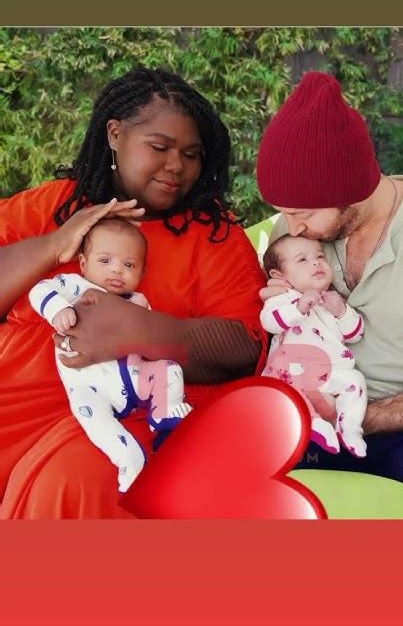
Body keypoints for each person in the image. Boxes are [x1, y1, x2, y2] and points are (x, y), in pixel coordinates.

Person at [0, 67, 268, 518]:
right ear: (115, 133)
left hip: (130, 413)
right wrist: (53, 245)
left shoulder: (213, 235)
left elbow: (244, 347)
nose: (176, 166)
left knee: (70, 481)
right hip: (15, 401)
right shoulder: (55, 205)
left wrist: (141, 331)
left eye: (192, 154)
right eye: (160, 147)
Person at [257, 70, 403, 482]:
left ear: (352, 186)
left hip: (393, 424)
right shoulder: (292, 234)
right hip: (304, 416)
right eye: (284, 211)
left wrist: (365, 416)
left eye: (302, 213)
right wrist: (275, 303)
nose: (292, 227)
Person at [29, 218, 191, 493]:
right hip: (89, 387)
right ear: (83, 263)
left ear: (142, 272)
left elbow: (151, 343)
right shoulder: (76, 286)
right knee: (96, 423)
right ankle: (130, 460)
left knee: (170, 369)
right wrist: (57, 309)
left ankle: (165, 417)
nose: (117, 269)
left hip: (133, 377)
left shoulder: (138, 302)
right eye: (105, 261)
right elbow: (40, 290)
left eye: (129, 265)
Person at [261, 234, 367, 457]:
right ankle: (314, 424)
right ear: (279, 275)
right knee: (291, 383)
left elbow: (355, 334)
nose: (316, 262)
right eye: (302, 260)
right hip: (291, 375)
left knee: (355, 381)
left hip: (328, 374)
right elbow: (269, 322)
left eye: (320, 256)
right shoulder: (284, 298)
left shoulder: (331, 300)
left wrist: (342, 311)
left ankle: (349, 430)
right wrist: (298, 308)